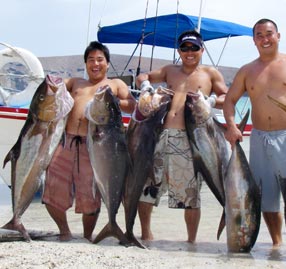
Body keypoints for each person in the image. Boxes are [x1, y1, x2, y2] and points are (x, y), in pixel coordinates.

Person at [223, 18, 286, 247]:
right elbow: (229, 100)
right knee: (266, 198)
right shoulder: (247, 70)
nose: (265, 39)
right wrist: (232, 125)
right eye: (259, 35)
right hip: (259, 138)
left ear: (278, 36)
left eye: (269, 34)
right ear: (254, 40)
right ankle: (277, 244)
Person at [135, 30, 228, 243]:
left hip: (191, 139)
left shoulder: (210, 73)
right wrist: (146, 87)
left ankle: (191, 241)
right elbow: (144, 76)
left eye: (194, 48)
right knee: (147, 187)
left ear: (201, 50)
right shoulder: (169, 70)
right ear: (179, 51)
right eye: (185, 48)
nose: (189, 52)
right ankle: (145, 234)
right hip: (161, 136)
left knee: (190, 194)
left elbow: (227, 96)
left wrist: (211, 101)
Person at [42, 41, 136, 242]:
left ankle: (87, 236)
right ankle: (64, 231)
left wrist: (113, 101)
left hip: (96, 145)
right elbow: (55, 87)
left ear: (107, 63)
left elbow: (133, 106)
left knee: (90, 196)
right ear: (85, 64)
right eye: (91, 60)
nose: (95, 64)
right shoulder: (76, 83)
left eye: (100, 59)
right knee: (52, 190)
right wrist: (53, 84)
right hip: (65, 142)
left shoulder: (115, 84)